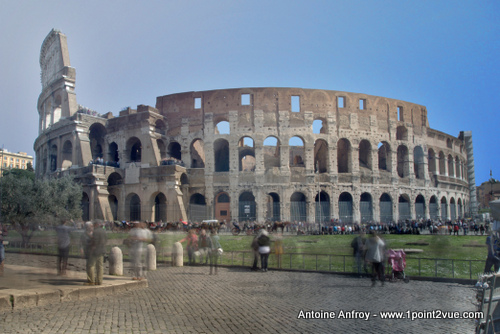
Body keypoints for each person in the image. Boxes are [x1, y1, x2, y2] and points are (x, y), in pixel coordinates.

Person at [86, 221, 107, 285]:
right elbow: (105, 240)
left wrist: (91, 248)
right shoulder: (104, 231)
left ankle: (91, 280)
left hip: (95, 251)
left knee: (91, 265)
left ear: (96, 224)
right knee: (100, 266)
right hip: (102, 250)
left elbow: (94, 241)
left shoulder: (95, 232)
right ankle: (99, 281)